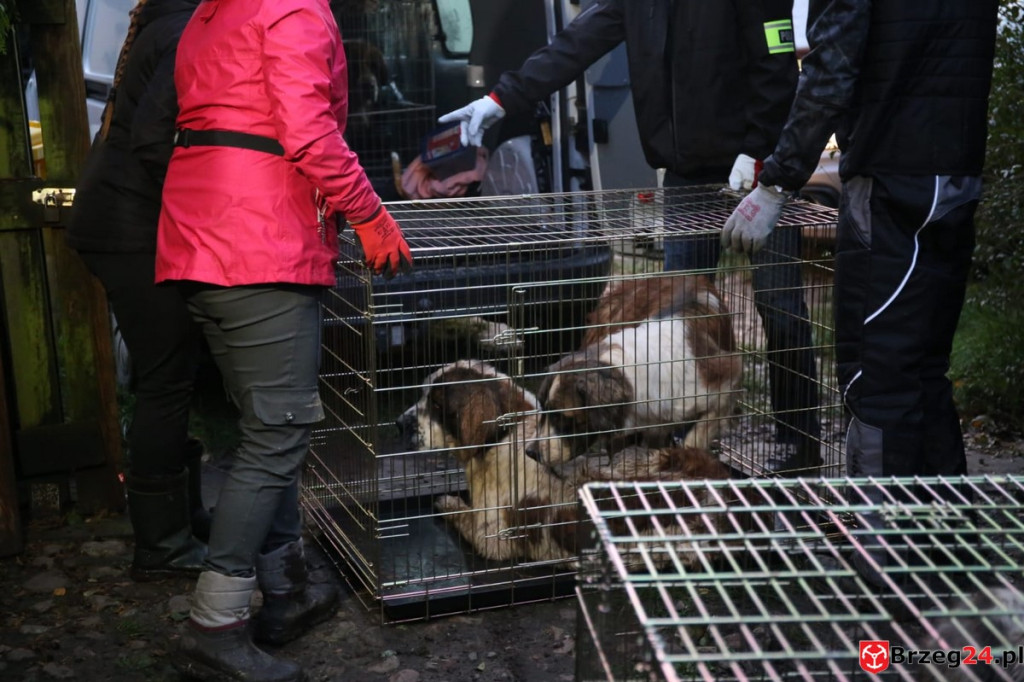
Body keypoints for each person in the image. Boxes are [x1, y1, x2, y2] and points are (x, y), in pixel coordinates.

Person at [439, 0, 822, 473]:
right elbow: (575, 43)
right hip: (687, 176)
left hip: (761, 174)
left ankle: (800, 446)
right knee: (676, 317)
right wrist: (501, 99)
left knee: (779, 305)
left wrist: (760, 154)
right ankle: (683, 446)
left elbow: (776, 62)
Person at [154, 0, 413, 679]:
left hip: (200, 238)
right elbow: (309, 132)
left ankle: (287, 589)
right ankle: (215, 624)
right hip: (257, 242)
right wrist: (372, 213)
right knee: (277, 433)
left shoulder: (214, 13)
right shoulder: (290, 8)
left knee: (264, 427)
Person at [722, 0, 998, 579]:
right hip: (955, 168)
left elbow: (833, 66)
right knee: (923, 367)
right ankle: (951, 546)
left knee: (875, 375)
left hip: (893, 174)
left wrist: (778, 182)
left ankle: (878, 561)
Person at [66, 0, 209, 582]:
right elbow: (156, 143)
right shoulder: (181, 30)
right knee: (166, 378)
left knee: (176, 368)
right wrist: (202, 209)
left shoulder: (163, 20)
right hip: (130, 229)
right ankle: (162, 543)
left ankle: (184, 516)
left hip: (119, 221)